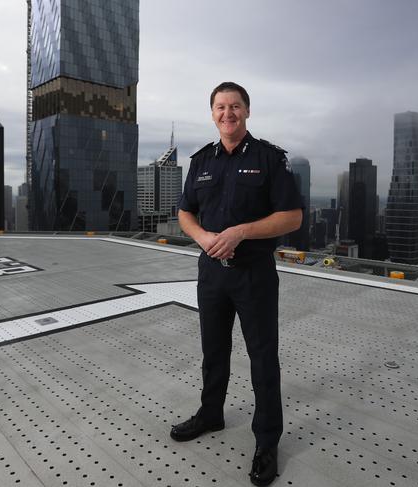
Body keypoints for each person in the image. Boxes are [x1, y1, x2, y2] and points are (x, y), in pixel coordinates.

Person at [171, 81, 303, 486]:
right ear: (212, 113)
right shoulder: (201, 161)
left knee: (263, 359)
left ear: (247, 111)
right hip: (211, 273)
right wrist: (204, 238)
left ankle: (266, 441)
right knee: (213, 350)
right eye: (220, 107)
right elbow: (184, 212)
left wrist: (242, 231)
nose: (228, 113)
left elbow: (292, 217)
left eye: (235, 106)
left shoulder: (268, 159)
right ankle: (211, 414)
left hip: (253, 274)